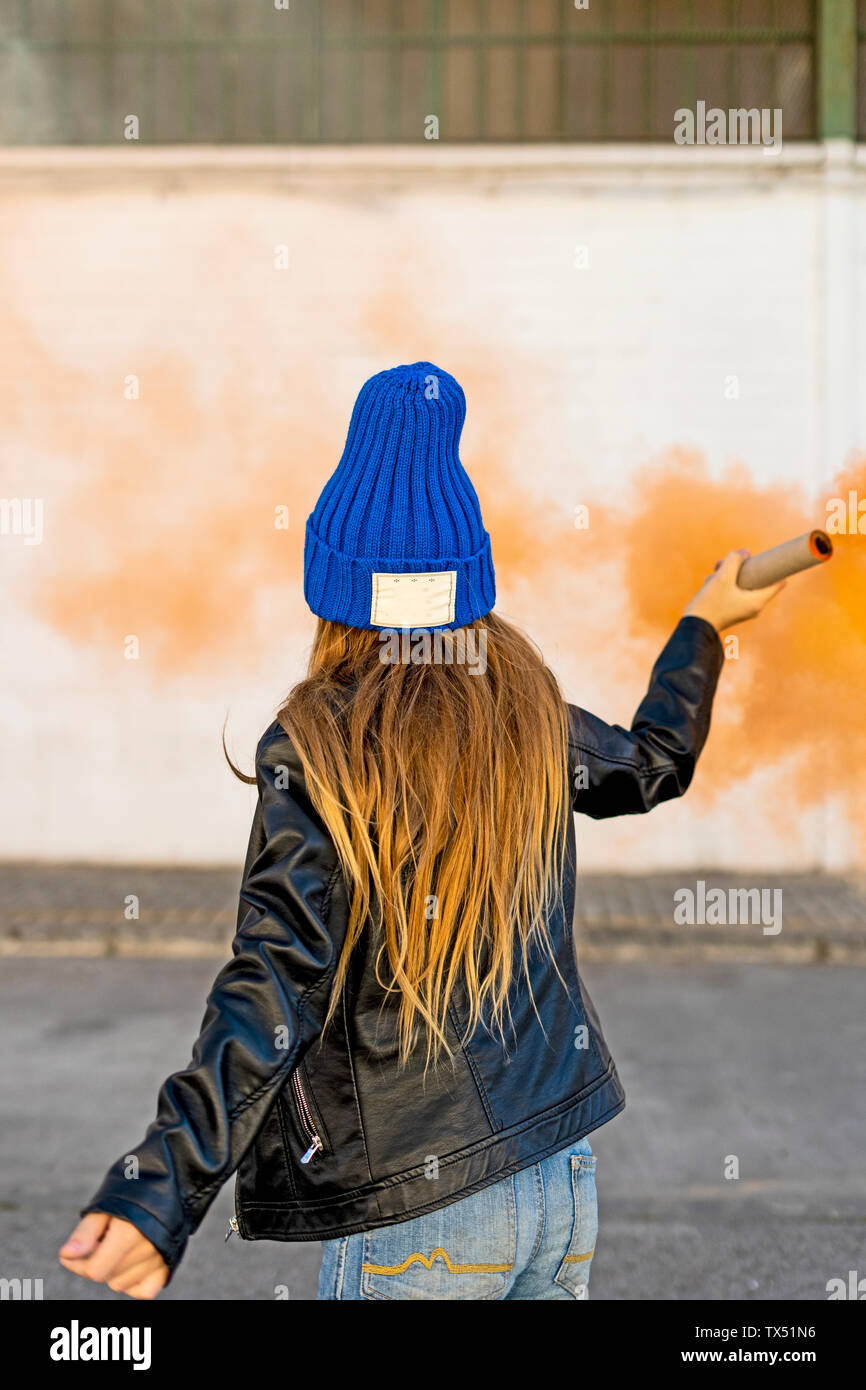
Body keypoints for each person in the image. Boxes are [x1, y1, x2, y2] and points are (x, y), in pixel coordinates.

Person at [59, 362, 784, 1300]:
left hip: (423, 1221)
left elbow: (272, 985)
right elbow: (653, 763)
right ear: (463, 581)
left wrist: (157, 1196)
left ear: (336, 585)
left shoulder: (320, 744)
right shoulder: (523, 704)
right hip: (557, 1181)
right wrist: (704, 627)